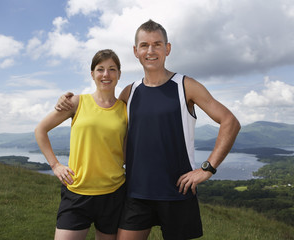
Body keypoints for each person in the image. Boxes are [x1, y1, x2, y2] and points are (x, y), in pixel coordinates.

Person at [56, 20, 241, 240]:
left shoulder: (186, 86)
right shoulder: (129, 92)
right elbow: (101, 108)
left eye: (157, 44)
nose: (150, 51)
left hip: (178, 192)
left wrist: (207, 168)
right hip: (136, 194)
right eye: (144, 45)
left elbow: (230, 121)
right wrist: (69, 101)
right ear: (136, 51)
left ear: (167, 48)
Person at [35, 49, 127, 240]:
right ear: (92, 74)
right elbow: (40, 130)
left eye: (112, 69)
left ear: (119, 74)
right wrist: (55, 165)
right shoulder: (77, 102)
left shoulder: (126, 109)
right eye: (100, 69)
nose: (106, 74)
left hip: (113, 193)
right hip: (76, 191)